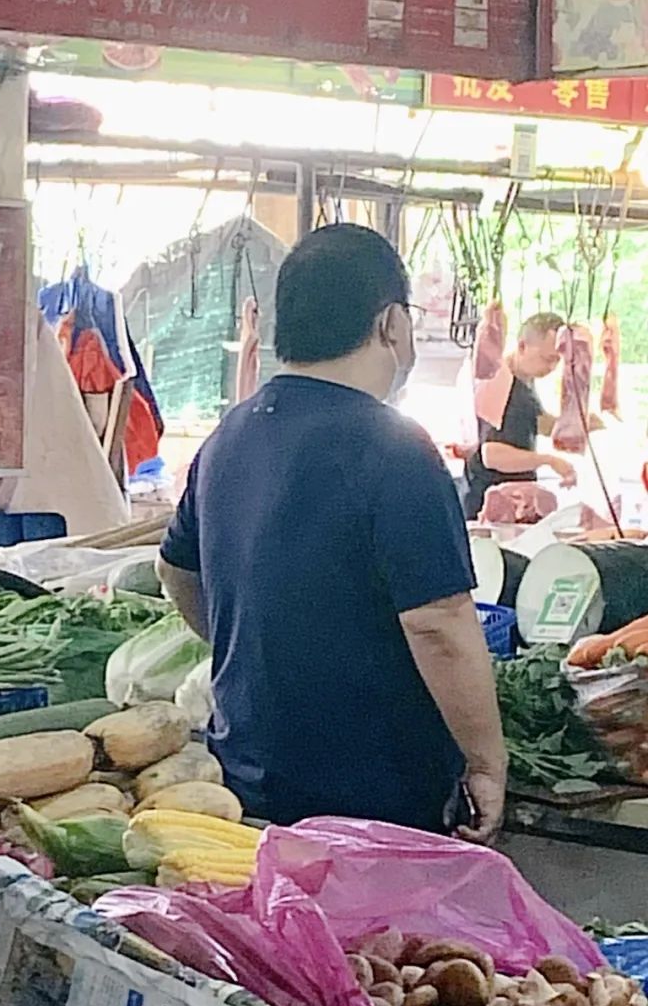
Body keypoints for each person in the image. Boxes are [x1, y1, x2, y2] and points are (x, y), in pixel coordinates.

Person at [156, 223, 507, 844]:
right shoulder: (395, 448)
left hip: (247, 777)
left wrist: (260, 646)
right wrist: (485, 763)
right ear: (391, 324)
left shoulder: (230, 435)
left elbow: (175, 571)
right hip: (374, 798)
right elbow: (440, 624)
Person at [461, 312, 575, 520]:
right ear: (522, 346)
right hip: (490, 507)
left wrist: (576, 424)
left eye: (556, 361)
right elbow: (492, 454)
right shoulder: (501, 385)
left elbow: (536, 422)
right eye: (547, 359)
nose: (551, 368)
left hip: (516, 502)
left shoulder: (525, 380)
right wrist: (548, 460)